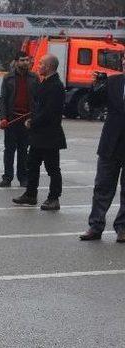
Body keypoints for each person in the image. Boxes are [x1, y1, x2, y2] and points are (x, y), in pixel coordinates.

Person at [79, 56, 125, 243]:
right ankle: (95, 226)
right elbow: (95, 103)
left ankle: (122, 228)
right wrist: (95, 86)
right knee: (102, 187)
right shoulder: (113, 82)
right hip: (110, 144)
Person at [12, 54, 66, 211]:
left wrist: (32, 122)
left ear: (48, 67)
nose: (38, 66)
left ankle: (53, 198)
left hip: (50, 135)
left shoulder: (56, 86)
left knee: (52, 168)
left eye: (41, 64)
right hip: (38, 135)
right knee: (32, 165)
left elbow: (49, 112)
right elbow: (38, 107)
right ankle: (30, 194)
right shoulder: (44, 82)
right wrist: (31, 117)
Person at [0, 51, 39, 188]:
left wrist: (34, 117)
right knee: (9, 150)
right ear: (16, 62)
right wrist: (3, 118)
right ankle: (7, 178)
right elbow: (3, 99)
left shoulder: (34, 78)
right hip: (11, 120)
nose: (25, 62)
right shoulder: (8, 78)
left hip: (27, 121)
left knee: (23, 150)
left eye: (27, 60)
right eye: (22, 60)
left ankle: (23, 178)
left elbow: (38, 100)